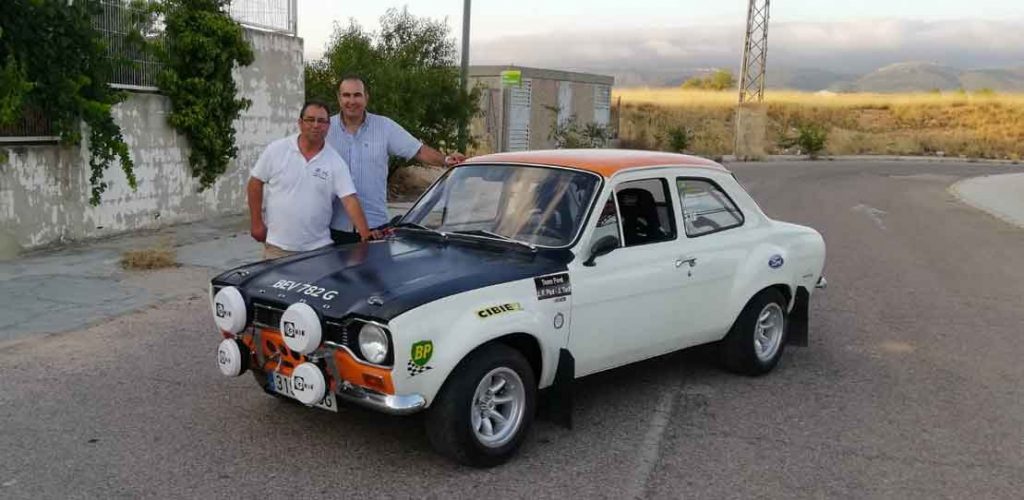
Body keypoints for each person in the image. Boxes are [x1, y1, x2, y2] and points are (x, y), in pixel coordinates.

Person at [325, 74, 467, 244]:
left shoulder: (384, 127)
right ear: (339, 98)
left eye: (357, 95)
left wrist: (446, 160)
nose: (352, 101)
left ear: (366, 97)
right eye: (346, 95)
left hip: (376, 228)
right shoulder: (325, 129)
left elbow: (418, 150)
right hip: (335, 229)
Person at [248, 100, 372, 259]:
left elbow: (350, 200)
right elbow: (255, 183)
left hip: (318, 251)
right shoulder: (277, 150)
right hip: (277, 249)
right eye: (310, 120)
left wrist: (365, 234)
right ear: (300, 123)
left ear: (328, 126)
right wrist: (256, 223)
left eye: (321, 121)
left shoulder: (335, 161)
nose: (316, 125)